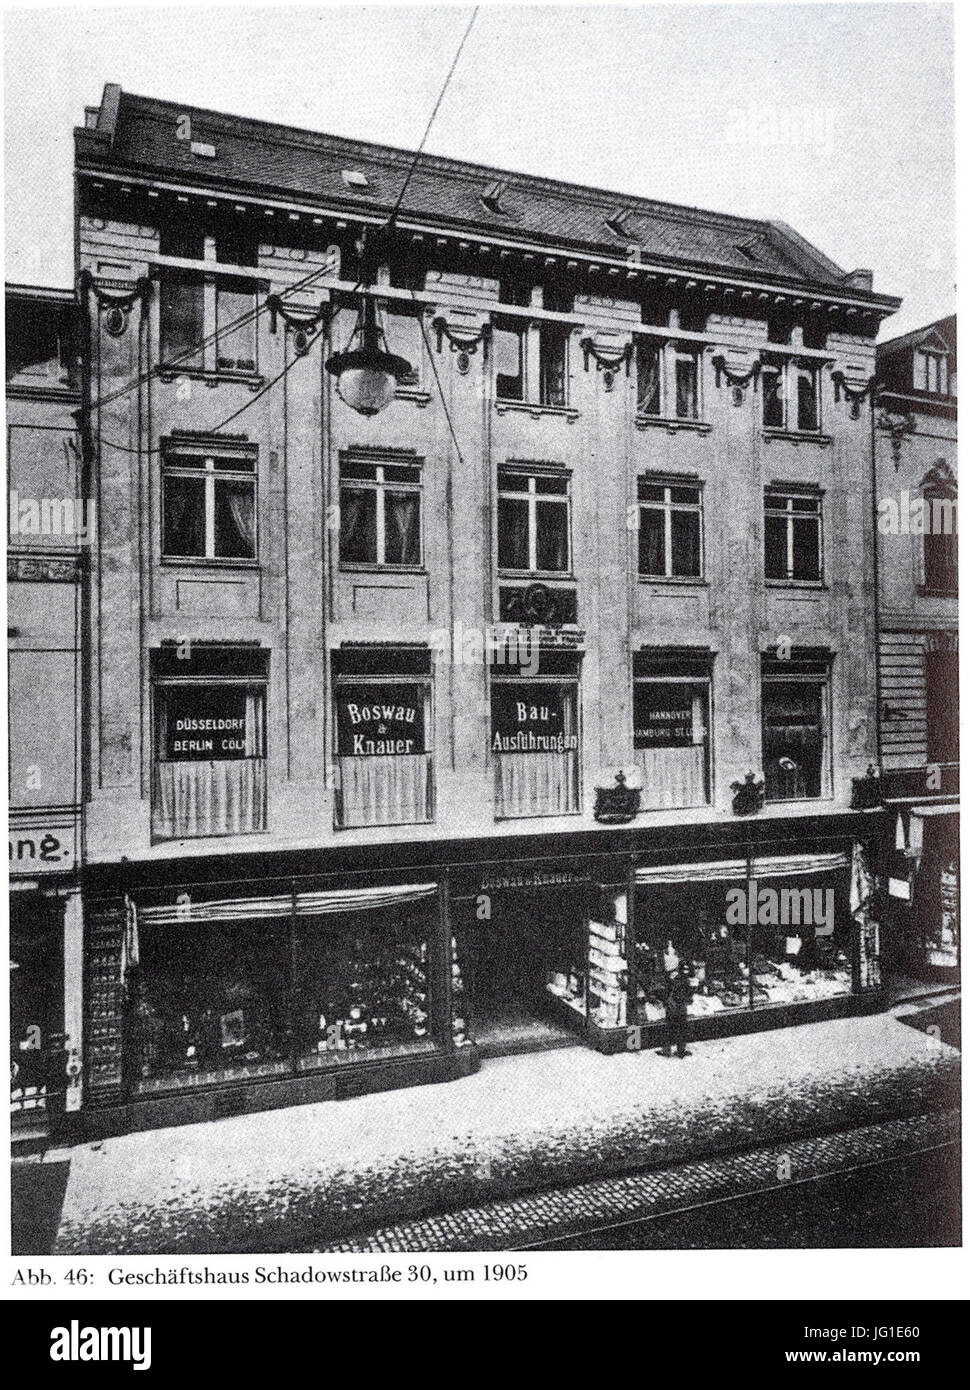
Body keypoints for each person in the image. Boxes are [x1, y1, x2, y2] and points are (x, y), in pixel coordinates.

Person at [663, 961, 693, 1059]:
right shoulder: (680, 980)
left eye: (687, 970)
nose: (686, 972)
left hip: (677, 1006)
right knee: (675, 1027)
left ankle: (676, 1050)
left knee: (679, 1027)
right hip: (675, 1005)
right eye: (684, 969)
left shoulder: (679, 979)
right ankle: (674, 1050)